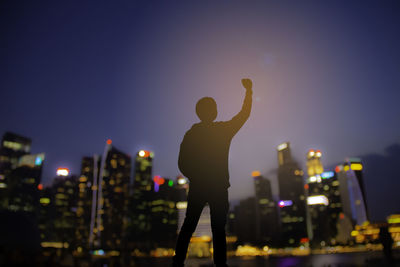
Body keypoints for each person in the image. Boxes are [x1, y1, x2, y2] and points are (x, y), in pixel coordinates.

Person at [172, 79, 253, 267]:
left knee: (188, 226)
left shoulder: (191, 133)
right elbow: (244, 114)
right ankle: (220, 265)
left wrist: (195, 176)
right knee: (218, 229)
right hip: (218, 186)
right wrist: (248, 91)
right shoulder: (222, 130)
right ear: (213, 111)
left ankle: (177, 263)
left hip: (200, 186)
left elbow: (181, 162)